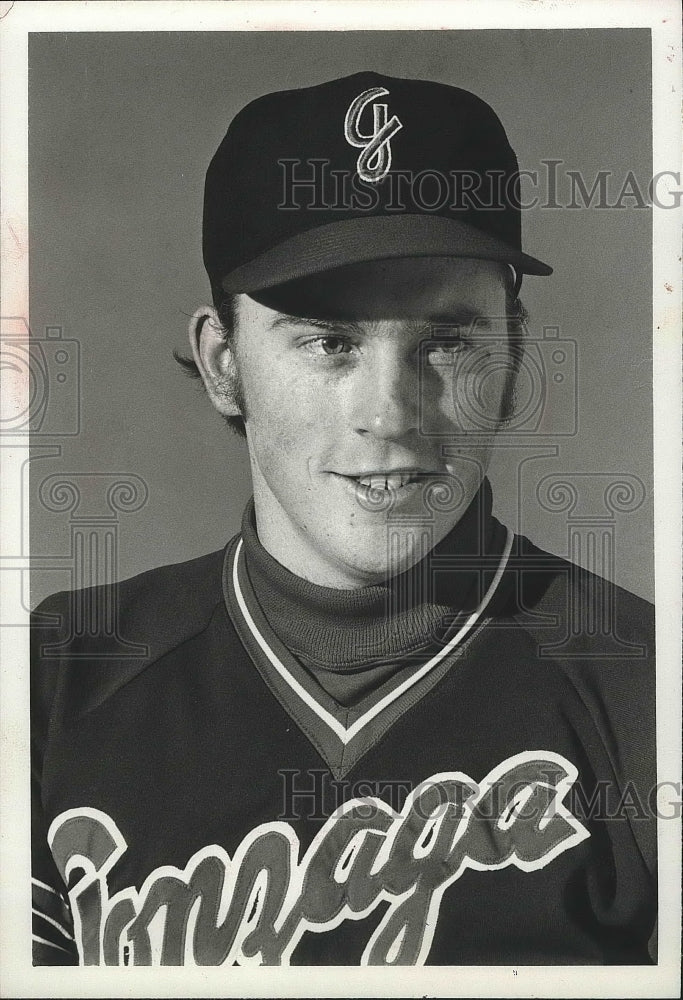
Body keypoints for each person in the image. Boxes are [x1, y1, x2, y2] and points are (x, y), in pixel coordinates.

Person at [31, 71, 656, 967]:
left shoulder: (641, 693)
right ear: (222, 363)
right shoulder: (55, 680)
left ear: (514, 355)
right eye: (330, 342)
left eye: (446, 342)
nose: (392, 415)